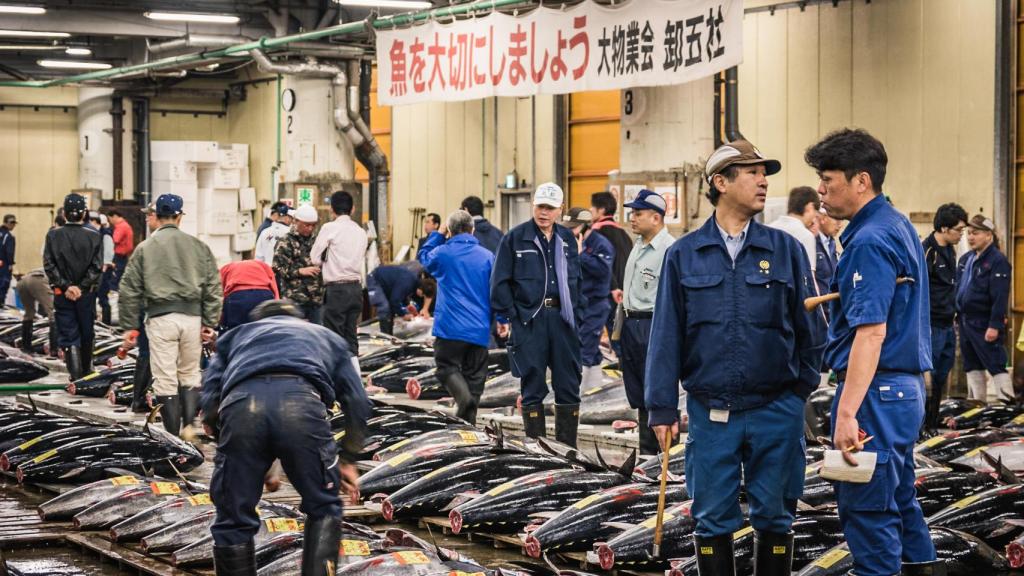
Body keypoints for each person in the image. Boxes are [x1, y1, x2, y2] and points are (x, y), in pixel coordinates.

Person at [646, 139, 823, 576]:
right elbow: (665, 334)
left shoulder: (784, 249)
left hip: (776, 409)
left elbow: (810, 330)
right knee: (711, 516)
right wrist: (661, 406)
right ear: (720, 183)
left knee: (776, 516)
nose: (763, 182)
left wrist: (798, 391)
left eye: (765, 173)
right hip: (711, 412)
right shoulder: (684, 254)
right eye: (752, 173)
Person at [806, 128, 938, 576]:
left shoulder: (868, 241)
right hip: (903, 391)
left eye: (828, 180)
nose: (821, 190)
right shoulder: (896, 224)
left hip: (876, 393)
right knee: (900, 502)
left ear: (861, 180)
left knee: (868, 510)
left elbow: (871, 333)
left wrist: (846, 413)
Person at [200, 299, 370, 576]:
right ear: (301, 319)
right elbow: (358, 401)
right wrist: (349, 457)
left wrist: (239, 452)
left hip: (241, 406)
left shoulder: (236, 336)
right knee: (324, 506)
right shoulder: (327, 337)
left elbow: (210, 401)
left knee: (232, 516)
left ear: (257, 321)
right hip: (302, 406)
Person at [118, 194, 223, 438]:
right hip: (192, 319)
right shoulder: (198, 246)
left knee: (165, 378)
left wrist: (130, 326)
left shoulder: (145, 248)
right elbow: (213, 286)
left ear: (157, 216)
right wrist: (209, 321)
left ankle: (173, 436)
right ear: (179, 217)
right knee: (189, 373)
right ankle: (189, 427)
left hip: (160, 318)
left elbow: (129, 289)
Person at [491, 182, 584, 447]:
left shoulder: (567, 239)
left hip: (563, 320)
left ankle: (568, 451)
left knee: (569, 384)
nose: (544, 212)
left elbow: (577, 279)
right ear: (533, 205)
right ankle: (537, 450)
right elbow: (499, 283)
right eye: (540, 206)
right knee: (532, 386)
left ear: (560, 209)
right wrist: (514, 316)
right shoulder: (515, 238)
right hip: (530, 321)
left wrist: (577, 314)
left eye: (550, 208)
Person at [419, 210, 495, 424]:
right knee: (475, 378)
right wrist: (502, 319)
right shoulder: (488, 256)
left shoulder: (443, 253)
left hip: (450, 328)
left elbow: (423, 257)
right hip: (479, 328)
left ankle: (464, 400)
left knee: (446, 367)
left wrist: (438, 234)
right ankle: (468, 424)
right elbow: (497, 290)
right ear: (473, 230)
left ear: (450, 231)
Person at [619, 190, 674, 456]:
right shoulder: (638, 245)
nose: (632, 218)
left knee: (657, 393)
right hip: (631, 325)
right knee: (639, 394)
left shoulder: (670, 250)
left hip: (653, 325)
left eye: (638, 213)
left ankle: (663, 460)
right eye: (632, 213)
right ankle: (646, 456)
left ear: (656, 217)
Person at [43, 195, 103, 380]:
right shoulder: (95, 235)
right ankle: (86, 373)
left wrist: (66, 286)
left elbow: (49, 265)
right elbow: (96, 267)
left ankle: (75, 376)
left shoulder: (53, 235)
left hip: (63, 295)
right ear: (84, 213)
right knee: (86, 332)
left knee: (69, 333)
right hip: (86, 295)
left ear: (64, 213)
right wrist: (81, 288)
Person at [957, 214, 1013, 404]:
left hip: (984, 323)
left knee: (996, 364)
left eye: (976, 233)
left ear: (989, 235)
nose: (971, 237)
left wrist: (995, 325)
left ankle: (1006, 408)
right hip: (965, 321)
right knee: (971, 365)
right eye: (969, 233)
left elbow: (1000, 296)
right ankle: (976, 407)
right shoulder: (966, 259)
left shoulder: (998, 261)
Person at [922, 203, 967, 433]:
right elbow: (919, 291)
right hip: (931, 325)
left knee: (941, 376)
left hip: (948, 324)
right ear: (944, 228)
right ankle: (921, 427)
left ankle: (932, 425)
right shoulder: (927, 251)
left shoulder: (951, 251)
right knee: (927, 380)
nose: (961, 235)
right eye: (958, 230)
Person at [311, 192, 368, 367]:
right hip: (356, 289)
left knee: (334, 337)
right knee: (351, 336)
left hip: (336, 289)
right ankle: (354, 377)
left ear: (331, 209)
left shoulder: (329, 228)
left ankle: (336, 379)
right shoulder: (361, 232)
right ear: (353, 209)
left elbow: (314, 258)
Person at [562, 207, 614, 389]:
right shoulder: (569, 243)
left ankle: (575, 396)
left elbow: (604, 270)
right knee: (590, 351)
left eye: (573, 228)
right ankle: (595, 392)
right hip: (576, 305)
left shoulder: (601, 244)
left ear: (585, 226)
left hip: (595, 304)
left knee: (583, 349)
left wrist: (581, 255)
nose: (569, 232)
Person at [589, 192, 633, 355]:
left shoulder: (596, 234)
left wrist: (613, 287)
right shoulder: (624, 234)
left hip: (608, 292)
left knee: (605, 338)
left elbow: (602, 265)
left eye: (592, 207)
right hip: (625, 293)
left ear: (601, 210)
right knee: (620, 336)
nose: (590, 210)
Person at [274, 205, 325, 325]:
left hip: (316, 299)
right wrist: (299, 271)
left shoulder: (317, 240)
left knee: (317, 333)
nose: (310, 228)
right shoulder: (286, 241)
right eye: (306, 225)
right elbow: (277, 268)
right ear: (296, 221)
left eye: (313, 225)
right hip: (294, 299)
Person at [768, 186, 819, 278]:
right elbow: (809, 277)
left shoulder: (768, 229)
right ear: (809, 207)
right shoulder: (806, 236)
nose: (814, 218)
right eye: (815, 212)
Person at [366, 263, 427, 335]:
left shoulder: (412, 282)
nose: (421, 296)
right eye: (422, 294)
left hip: (385, 283)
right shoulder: (408, 282)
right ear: (420, 289)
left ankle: (389, 335)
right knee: (384, 307)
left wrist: (407, 305)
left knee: (390, 309)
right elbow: (394, 300)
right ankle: (385, 336)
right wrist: (403, 315)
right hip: (374, 279)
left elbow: (400, 292)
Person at [219, 260, 279, 331]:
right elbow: (274, 287)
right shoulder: (263, 265)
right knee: (264, 328)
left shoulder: (225, 268)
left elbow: (218, 295)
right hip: (264, 294)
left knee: (235, 330)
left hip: (237, 296)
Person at [15, 268, 55, 357]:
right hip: (38, 280)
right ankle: (54, 350)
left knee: (29, 314)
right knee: (53, 314)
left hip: (23, 281)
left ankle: (26, 347)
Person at [91, 213, 116, 325]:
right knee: (93, 297)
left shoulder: (105, 234)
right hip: (97, 270)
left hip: (103, 271)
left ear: (95, 222)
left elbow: (109, 252)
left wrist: (104, 267)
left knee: (102, 297)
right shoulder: (96, 233)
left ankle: (106, 322)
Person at [814, 209, 841, 301]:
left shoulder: (832, 243)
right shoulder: (812, 242)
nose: (840, 225)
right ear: (823, 218)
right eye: (837, 219)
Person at [0, 214, 17, 304]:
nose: (13, 225)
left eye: (14, 223)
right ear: (5, 222)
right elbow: (9, 252)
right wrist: (10, 264)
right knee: (3, 285)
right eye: (11, 222)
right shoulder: (9, 237)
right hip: (4, 265)